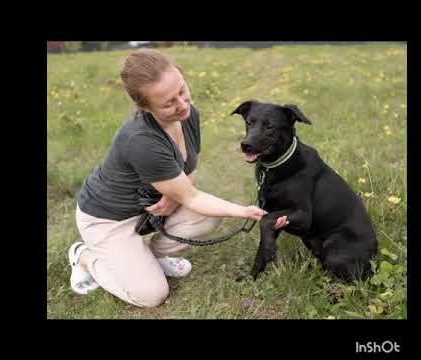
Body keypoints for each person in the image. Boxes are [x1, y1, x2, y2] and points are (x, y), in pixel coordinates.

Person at [69, 49, 288, 308]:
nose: (182, 104)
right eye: (168, 103)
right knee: (152, 295)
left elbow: (190, 169)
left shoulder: (188, 114)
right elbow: (192, 197)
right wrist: (244, 211)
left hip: (148, 211)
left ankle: (147, 259)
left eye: (182, 91)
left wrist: (172, 199)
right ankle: (84, 256)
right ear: (145, 107)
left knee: (210, 214)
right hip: (108, 219)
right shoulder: (142, 141)